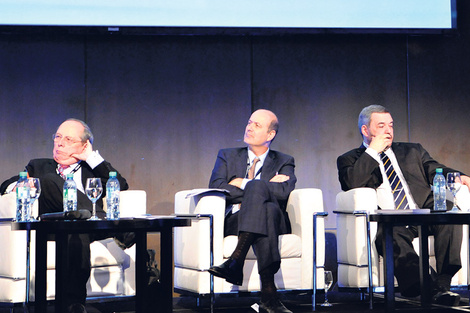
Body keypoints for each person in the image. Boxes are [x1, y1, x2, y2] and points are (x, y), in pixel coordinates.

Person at [337, 104, 470, 306]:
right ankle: (432, 288)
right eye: (381, 125)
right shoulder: (349, 159)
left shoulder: (412, 150)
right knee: (392, 235)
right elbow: (352, 182)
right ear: (365, 130)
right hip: (391, 219)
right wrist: (373, 151)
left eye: (390, 125)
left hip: (421, 211)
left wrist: (459, 177)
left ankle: (442, 283)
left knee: (449, 213)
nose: (388, 130)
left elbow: (436, 170)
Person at [0, 118, 130, 313]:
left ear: (84, 146)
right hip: (56, 226)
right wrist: (19, 185)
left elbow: (120, 184)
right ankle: (74, 305)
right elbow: (4, 185)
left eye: (68, 139)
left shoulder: (91, 169)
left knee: (77, 228)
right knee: (50, 185)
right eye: (58, 137)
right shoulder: (38, 166)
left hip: (91, 228)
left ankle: (73, 304)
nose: (59, 143)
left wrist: (92, 158)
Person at [207, 109, 296, 313]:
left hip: (277, 222)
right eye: (249, 122)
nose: (249, 127)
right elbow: (218, 186)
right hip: (236, 219)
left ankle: (235, 260)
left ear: (270, 134)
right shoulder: (227, 155)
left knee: (267, 205)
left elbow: (284, 192)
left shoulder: (284, 160)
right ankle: (269, 294)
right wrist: (264, 187)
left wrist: (245, 183)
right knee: (267, 208)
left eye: (257, 125)